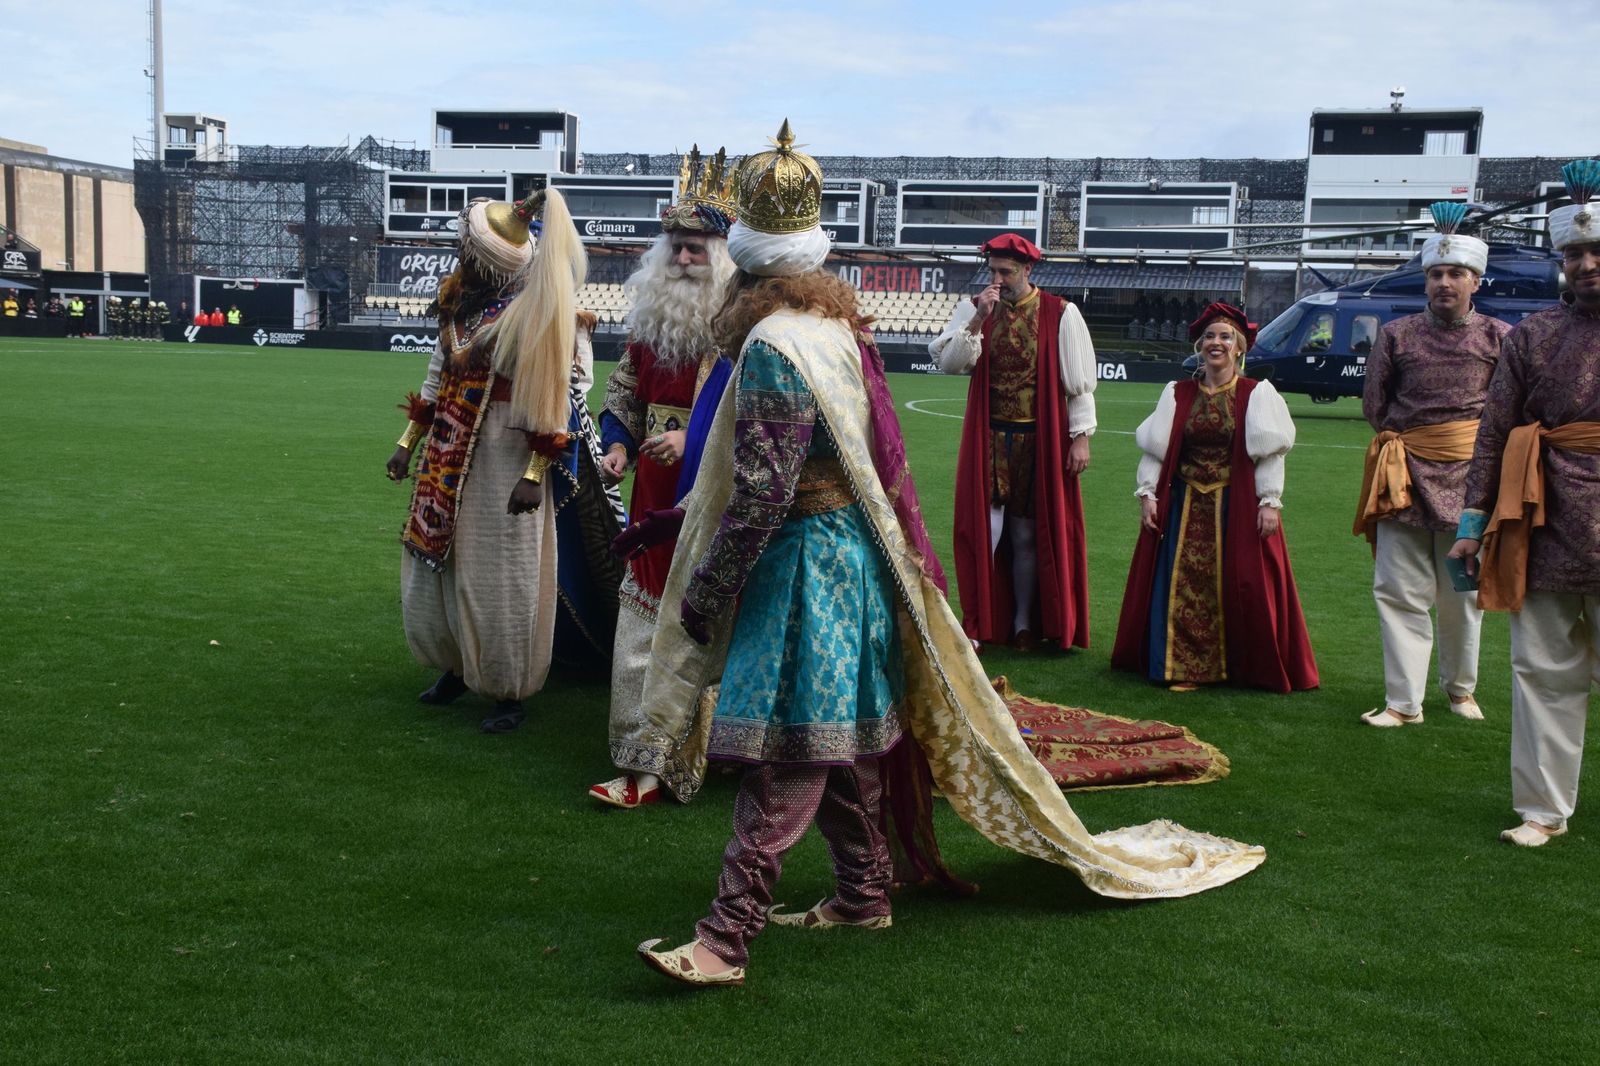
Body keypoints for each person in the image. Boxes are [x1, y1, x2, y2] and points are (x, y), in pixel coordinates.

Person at [638, 123, 1264, 989]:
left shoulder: (777, 346)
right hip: (851, 563)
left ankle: (725, 938)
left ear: (744, 263)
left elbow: (762, 494)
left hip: (803, 574)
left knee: (788, 751)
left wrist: (707, 585)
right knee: (847, 743)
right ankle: (863, 893)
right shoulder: (827, 325)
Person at [386, 191, 589, 734]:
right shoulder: (458, 302)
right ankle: (456, 665)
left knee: (500, 571)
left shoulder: (535, 312)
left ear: (485, 260)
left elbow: (554, 398)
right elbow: (435, 378)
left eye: (465, 248)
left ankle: (508, 689)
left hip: (505, 451)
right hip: (448, 449)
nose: (458, 254)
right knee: (441, 559)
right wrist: (409, 442)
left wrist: (533, 474)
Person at [1449, 159, 1600, 847]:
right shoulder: (1532, 335)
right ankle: (1542, 810)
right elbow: (1494, 434)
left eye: (1597, 251)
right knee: (1541, 670)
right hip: (1539, 517)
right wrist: (1472, 525)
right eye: (1575, 253)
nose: (1588, 264)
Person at [589, 145, 739, 809]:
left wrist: (692, 436)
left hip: (710, 497)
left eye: (695, 250)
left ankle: (686, 754)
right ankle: (639, 758)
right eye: (675, 248)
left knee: (698, 628)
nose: (681, 261)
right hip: (651, 495)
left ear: (721, 254)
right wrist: (619, 443)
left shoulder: (741, 325)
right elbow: (624, 391)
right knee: (640, 627)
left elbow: (751, 416)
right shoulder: (650, 319)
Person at [1111, 302, 1318, 692]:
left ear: (1239, 347)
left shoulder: (1256, 394)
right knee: (1185, 583)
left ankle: (1239, 666)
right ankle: (1185, 667)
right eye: (1209, 336)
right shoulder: (1178, 393)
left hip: (1233, 504)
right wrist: (1147, 495)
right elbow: (1157, 448)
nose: (1216, 343)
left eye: (1225, 337)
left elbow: (1269, 452)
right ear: (1200, 345)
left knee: (1240, 583)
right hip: (1184, 505)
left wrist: (1269, 501)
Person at [1355, 203, 1508, 727]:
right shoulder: (1396, 335)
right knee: (1397, 589)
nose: (1445, 282)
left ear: (1475, 281)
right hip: (1403, 474)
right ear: (1425, 281)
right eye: (1436, 274)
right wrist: (1410, 445)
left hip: (1473, 476)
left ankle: (1461, 690)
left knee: (1462, 590)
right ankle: (1403, 702)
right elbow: (1374, 405)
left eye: (1456, 274)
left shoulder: (1500, 337)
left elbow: (1507, 411)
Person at [930, 233, 1096, 652]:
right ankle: (979, 620)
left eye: (1007, 272)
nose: (999, 279)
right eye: (994, 271)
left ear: (1028, 270)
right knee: (984, 527)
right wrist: (976, 321)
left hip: (1037, 439)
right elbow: (951, 366)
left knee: (1025, 535)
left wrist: (1081, 438)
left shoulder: (1061, 313)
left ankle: (1023, 624)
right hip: (988, 436)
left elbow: (1078, 385)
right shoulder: (974, 309)